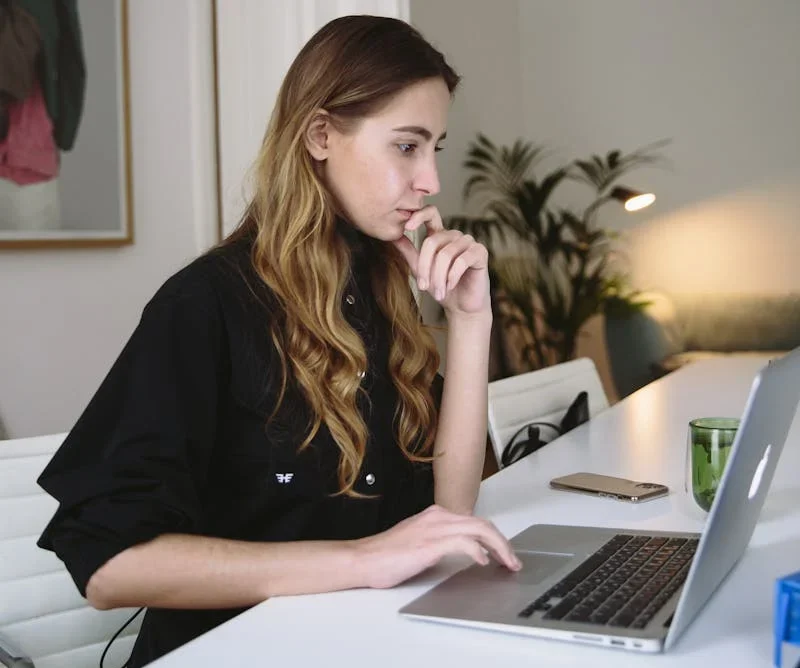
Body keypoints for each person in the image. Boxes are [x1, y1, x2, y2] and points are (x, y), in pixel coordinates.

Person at [36, 15, 522, 667]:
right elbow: (108, 567)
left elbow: (449, 510)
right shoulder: (206, 305)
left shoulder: (379, 284)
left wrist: (470, 319)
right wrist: (360, 560)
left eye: (435, 146)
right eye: (407, 146)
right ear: (321, 135)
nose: (431, 179)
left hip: (363, 644)